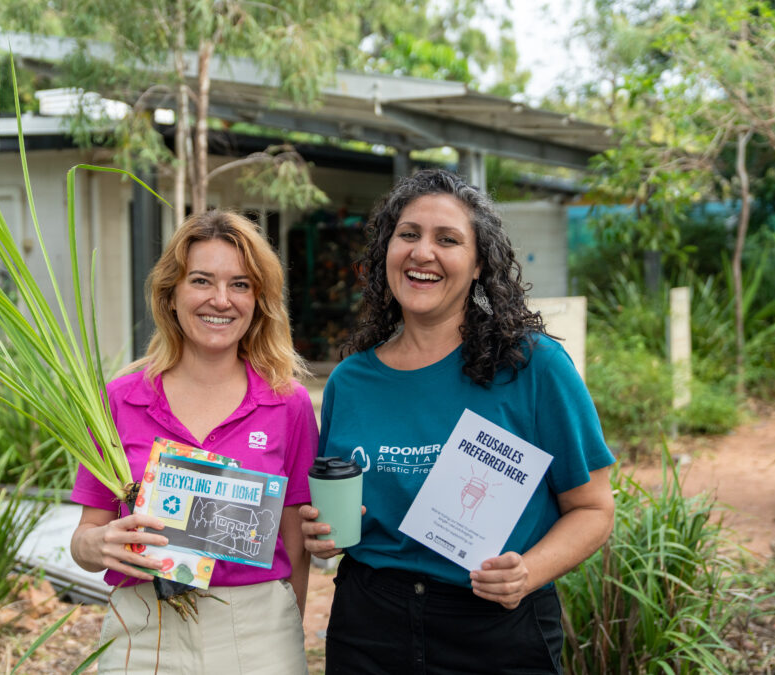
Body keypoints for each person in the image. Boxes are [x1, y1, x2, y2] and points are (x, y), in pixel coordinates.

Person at [301, 169, 616, 674]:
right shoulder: (350, 382)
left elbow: (594, 509)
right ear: (386, 252)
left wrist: (528, 571)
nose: (423, 252)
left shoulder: (533, 367)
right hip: (369, 626)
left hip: (496, 626)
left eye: (447, 240)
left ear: (477, 266)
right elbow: (338, 517)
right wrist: (323, 535)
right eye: (408, 235)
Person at [70, 210, 317, 674]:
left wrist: (287, 628)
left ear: (259, 299)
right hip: (144, 629)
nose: (221, 300)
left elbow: (295, 542)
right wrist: (98, 544)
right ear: (172, 293)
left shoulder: (289, 403)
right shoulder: (119, 400)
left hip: (257, 629)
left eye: (241, 284)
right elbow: (84, 538)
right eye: (202, 280)